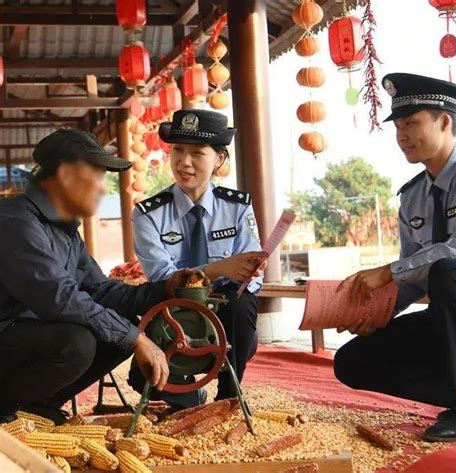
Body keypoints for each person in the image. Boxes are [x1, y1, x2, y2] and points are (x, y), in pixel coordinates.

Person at [0, 129, 200, 425]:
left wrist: (165, 288)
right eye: (94, 177)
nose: (101, 188)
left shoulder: (64, 230)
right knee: (77, 342)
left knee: (117, 328)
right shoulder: (15, 222)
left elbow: (102, 291)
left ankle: (37, 407)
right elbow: (59, 297)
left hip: (25, 336)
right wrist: (137, 340)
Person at [333, 73, 456, 442]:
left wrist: (389, 272)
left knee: (449, 269)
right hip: (452, 321)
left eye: (412, 123)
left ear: (445, 122)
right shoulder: (412, 196)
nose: (402, 136)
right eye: (398, 127)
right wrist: (377, 313)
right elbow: (413, 277)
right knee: (351, 362)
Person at [128, 109, 267, 409]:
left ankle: (229, 397)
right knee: (147, 383)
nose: (184, 161)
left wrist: (250, 272)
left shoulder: (238, 208)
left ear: (218, 159)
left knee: (242, 305)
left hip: (225, 318)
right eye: (177, 150)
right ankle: (189, 393)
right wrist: (216, 270)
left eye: (197, 153)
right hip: (172, 318)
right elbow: (163, 278)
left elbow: (254, 282)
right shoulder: (147, 215)